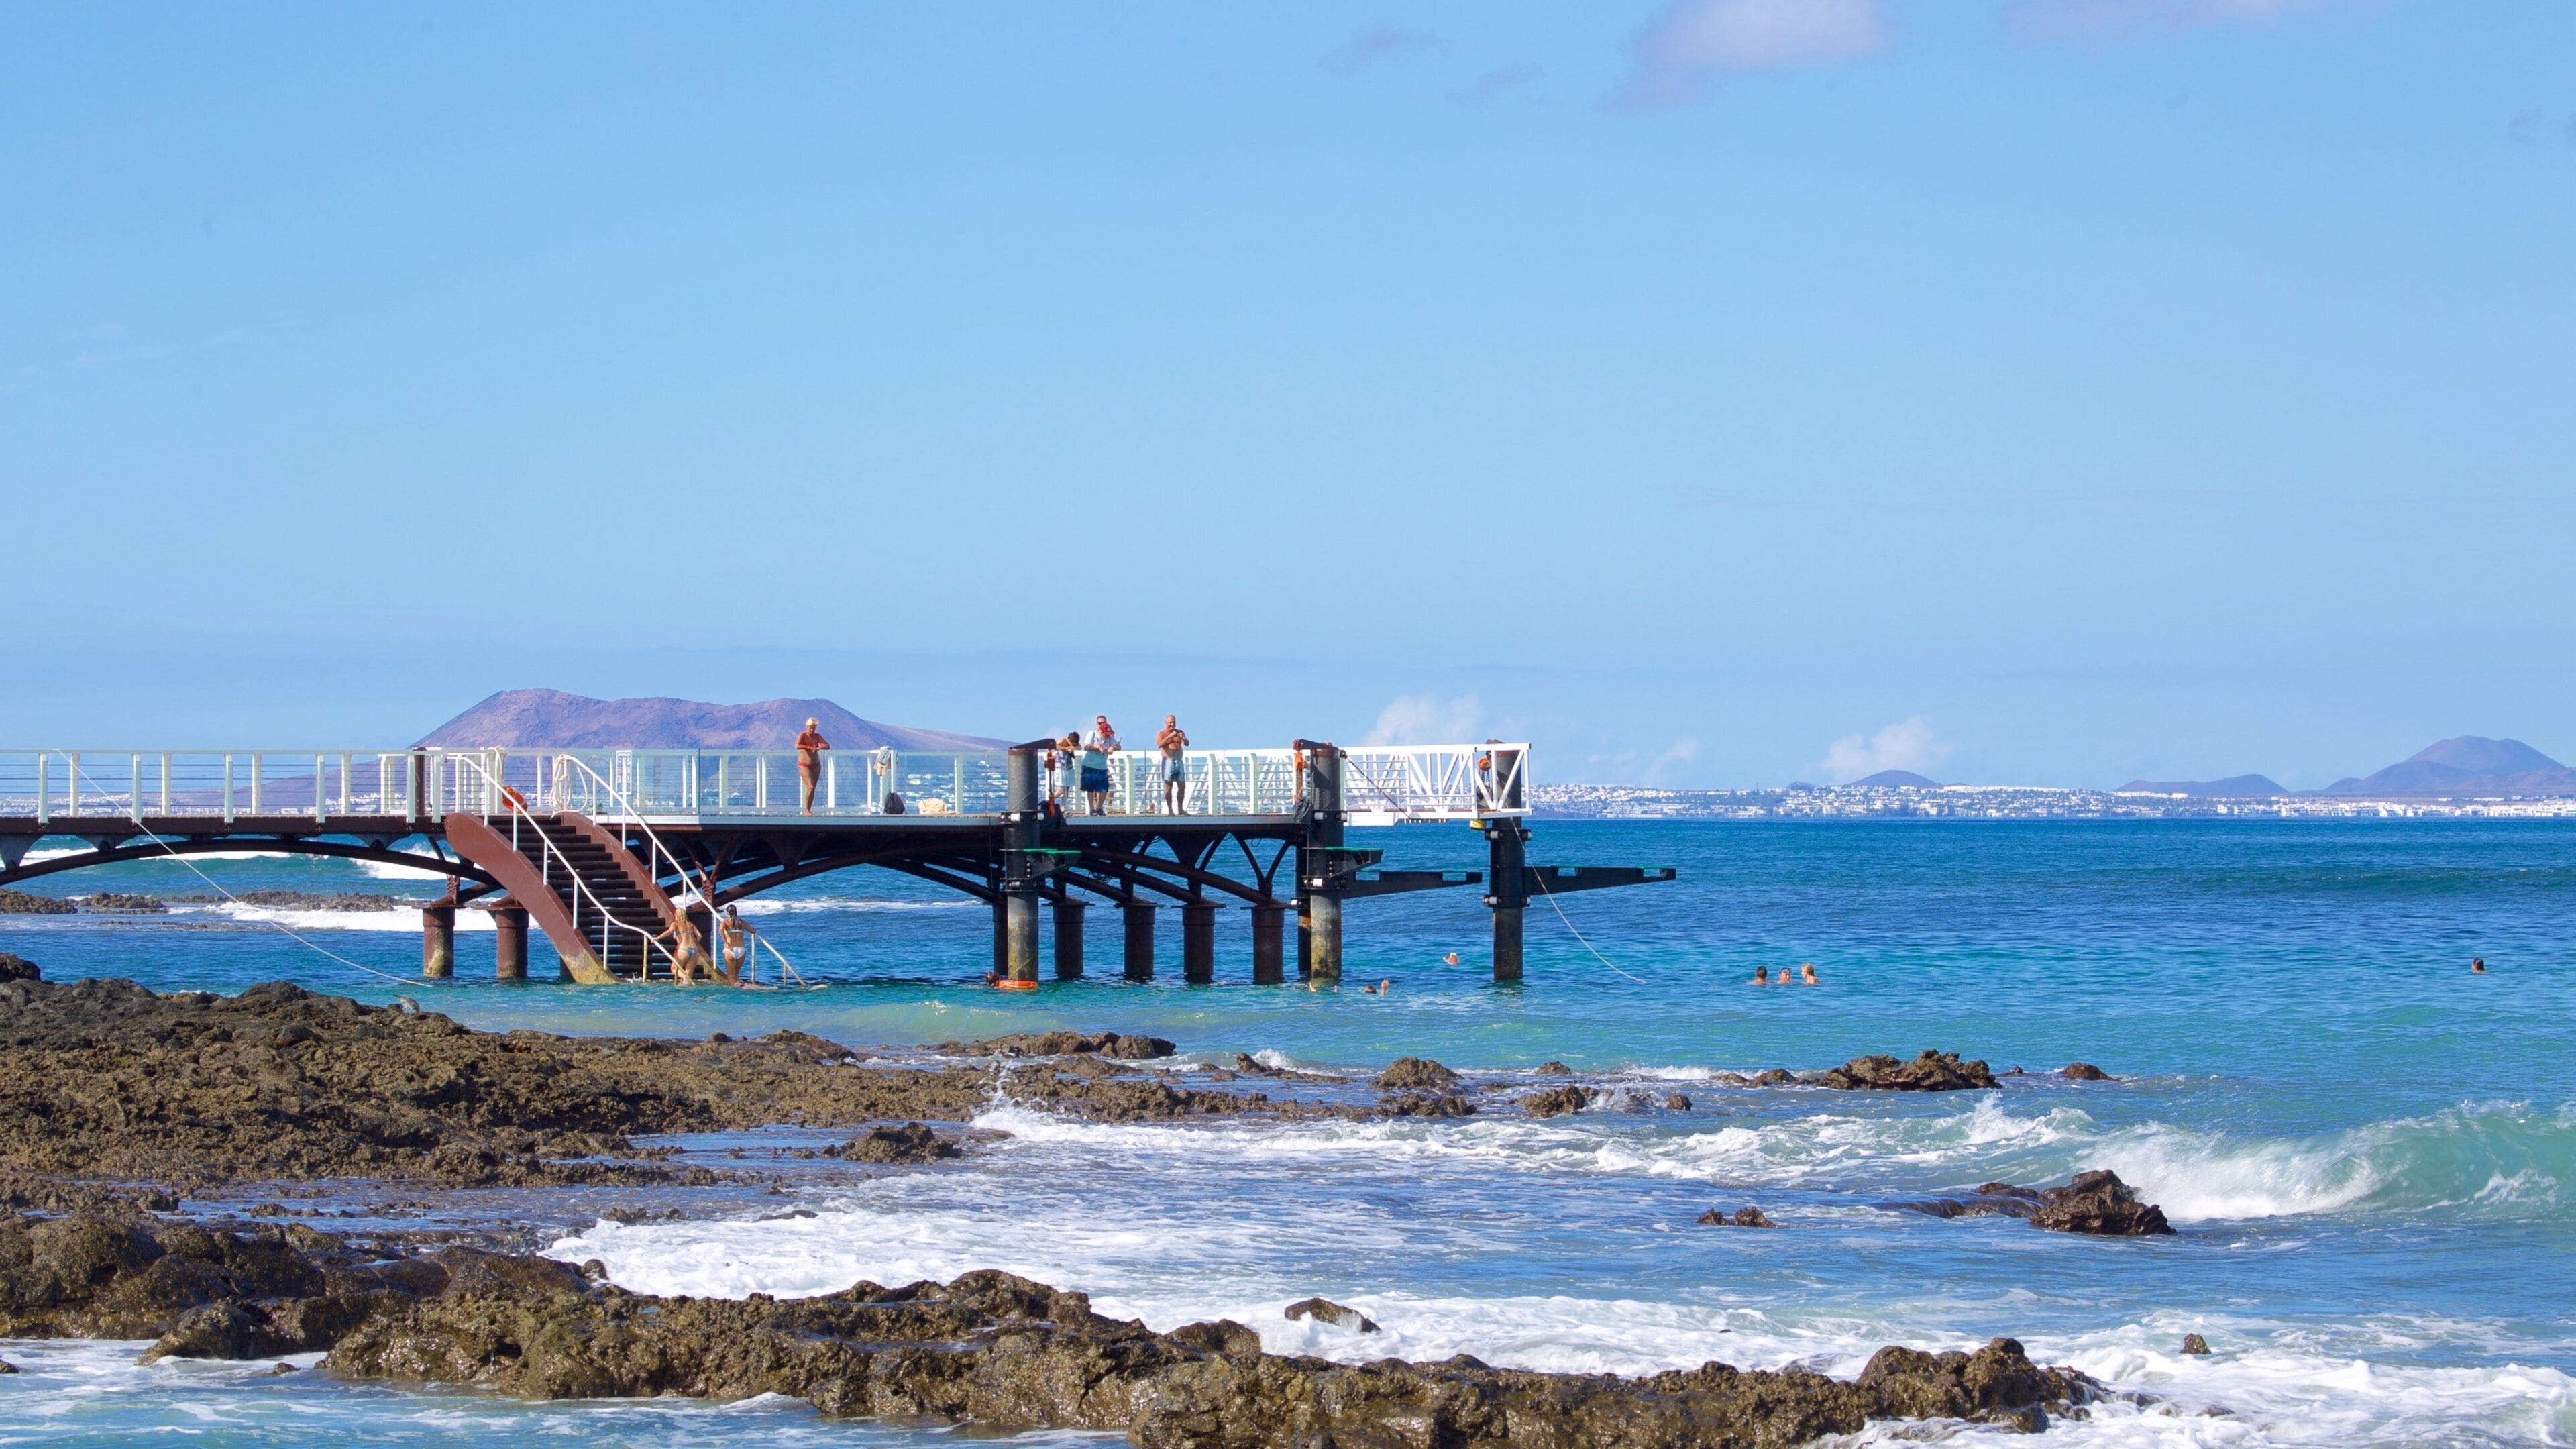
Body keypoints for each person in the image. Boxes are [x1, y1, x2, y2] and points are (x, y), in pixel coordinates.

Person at [657, 912, 712, 985]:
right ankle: (685, 987)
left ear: (676, 916)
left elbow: (669, 932)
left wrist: (658, 938)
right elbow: (700, 936)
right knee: (688, 974)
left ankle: (685, 978)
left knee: (674, 968)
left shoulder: (675, 924)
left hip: (683, 949)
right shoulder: (691, 925)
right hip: (695, 951)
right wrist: (695, 943)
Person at [794, 718, 831, 816]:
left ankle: (809, 809)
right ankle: (806, 809)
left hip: (816, 765)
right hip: (804, 765)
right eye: (810, 728)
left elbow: (827, 746)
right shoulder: (803, 735)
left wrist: (820, 747)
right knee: (810, 787)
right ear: (807, 727)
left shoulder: (817, 736)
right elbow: (797, 746)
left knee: (813, 788)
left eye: (814, 728)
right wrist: (809, 747)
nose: (812, 730)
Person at [1081, 716, 1118, 816]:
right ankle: (1092, 809)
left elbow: (1118, 746)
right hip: (1089, 765)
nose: (1107, 736)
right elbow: (1086, 747)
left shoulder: (1110, 737)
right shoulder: (1092, 734)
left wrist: (1112, 748)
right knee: (1091, 788)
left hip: (1102, 766)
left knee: (1103, 788)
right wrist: (1097, 747)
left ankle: (1100, 807)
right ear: (1101, 732)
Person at [1156, 714, 1190, 814]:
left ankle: (1180, 809)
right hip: (1168, 760)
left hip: (1179, 760)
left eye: (1173, 722)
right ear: (1166, 723)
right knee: (1168, 786)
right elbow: (1159, 745)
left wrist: (1184, 738)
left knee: (1182, 785)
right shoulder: (1161, 733)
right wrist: (1170, 737)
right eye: (1170, 722)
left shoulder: (1180, 732)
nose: (1172, 724)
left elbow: (1187, 744)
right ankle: (1170, 810)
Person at [719, 904, 755, 985]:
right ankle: (739, 986)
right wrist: (753, 929)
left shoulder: (725, 922)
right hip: (741, 950)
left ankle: (733, 993)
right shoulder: (742, 922)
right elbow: (753, 931)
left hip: (730, 949)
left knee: (730, 976)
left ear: (727, 912)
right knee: (736, 975)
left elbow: (721, 929)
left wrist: (726, 942)